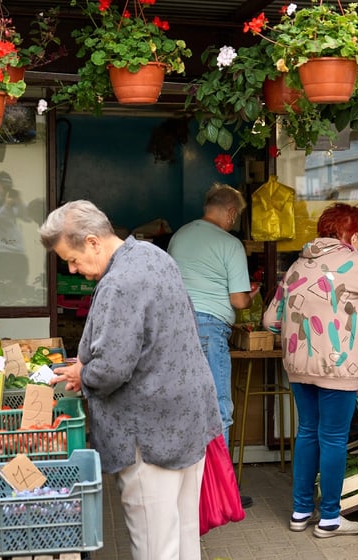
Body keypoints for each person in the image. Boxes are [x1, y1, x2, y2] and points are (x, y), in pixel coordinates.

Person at [40, 200, 222, 560]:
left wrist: (84, 373)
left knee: (155, 544)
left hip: (150, 429)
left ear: (92, 241)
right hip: (187, 418)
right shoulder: (153, 256)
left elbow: (111, 369)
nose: (74, 270)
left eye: (72, 259)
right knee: (184, 535)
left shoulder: (120, 282)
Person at [262, 203, 358, 538]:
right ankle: (330, 518)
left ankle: (301, 511)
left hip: (298, 366)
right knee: (333, 438)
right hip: (338, 366)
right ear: (354, 235)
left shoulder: (296, 267)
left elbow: (270, 321)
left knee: (307, 432)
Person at [168, 183, 258, 509]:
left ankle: (186, 487)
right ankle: (219, 492)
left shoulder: (179, 235)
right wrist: (253, 295)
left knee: (184, 406)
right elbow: (238, 300)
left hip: (175, 329)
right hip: (208, 329)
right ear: (231, 212)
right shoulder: (230, 244)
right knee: (219, 409)